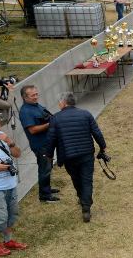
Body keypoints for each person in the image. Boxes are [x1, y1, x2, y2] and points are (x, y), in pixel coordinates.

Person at [45, 93, 108, 223]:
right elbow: (96, 132)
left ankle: (81, 197)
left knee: (75, 178)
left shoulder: (55, 118)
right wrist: (103, 147)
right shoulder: (86, 114)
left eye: (59, 102)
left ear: (63, 103)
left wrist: (49, 156)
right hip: (86, 154)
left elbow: (51, 139)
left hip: (68, 155)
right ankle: (86, 207)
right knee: (87, 179)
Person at [18, 85, 59, 203]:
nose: (36, 97)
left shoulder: (36, 106)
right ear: (24, 97)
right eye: (33, 95)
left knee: (48, 167)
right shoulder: (26, 111)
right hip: (40, 145)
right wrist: (50, 124)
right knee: (44, 169)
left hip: (47, 143)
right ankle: (44, 196)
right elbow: (33, 130)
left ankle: (47, 189)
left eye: (36, 94)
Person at [0, 113, 24, 257]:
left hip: (10, 183)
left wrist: (10, 142)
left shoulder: (2, 136)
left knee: (12, 215)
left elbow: (18, 154)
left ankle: (8, 241)